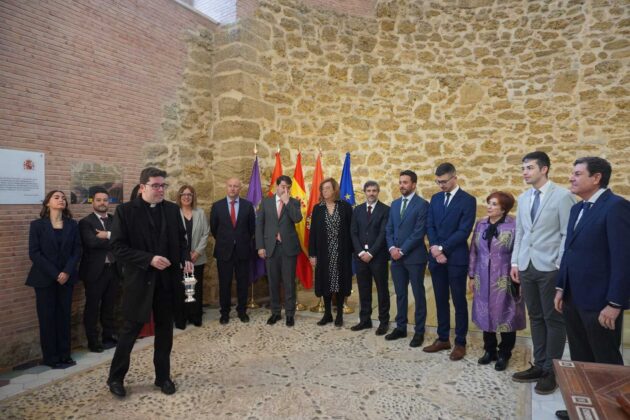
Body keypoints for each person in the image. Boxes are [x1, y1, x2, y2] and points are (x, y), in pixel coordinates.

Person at [553, 157, 630, 420]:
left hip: (600, 302)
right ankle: (583, 408)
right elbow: (569, 251)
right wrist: (561, 286)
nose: (571, 178)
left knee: (605, 365)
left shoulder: (616, 207)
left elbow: (623, 258)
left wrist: (615, 303)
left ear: (596, 178)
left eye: (577, 174)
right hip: (574, 297)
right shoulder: (577, 209)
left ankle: (612, 413)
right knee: (579, 358)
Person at [106, 167, 193, 398]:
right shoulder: (125, 212)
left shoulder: (173, 210)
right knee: (129, 332)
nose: (161, 189)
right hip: (140, 281)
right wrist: (149, 259)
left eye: (163, 185)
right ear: (143, 186)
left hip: (166, 282)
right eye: (156, 185)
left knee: (165, 332)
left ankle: (162, 377)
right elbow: (117, 247)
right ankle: (115, 378)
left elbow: (182, 240)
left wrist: (185, 258)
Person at [510, 151, 575, 395]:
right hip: (527, 266)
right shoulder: (524, 198)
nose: (525, 172)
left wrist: (560, 265)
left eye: (529, 167)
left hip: (550, 267)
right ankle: (539, 364)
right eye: (523, 168)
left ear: (544, 169)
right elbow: (521, 234)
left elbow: (567, 234)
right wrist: (515, 263)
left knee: (553, 319)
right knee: (535, 317)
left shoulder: (563, 196)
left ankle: (552, 371)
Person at [424, 163, 476, 361]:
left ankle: (460, 342)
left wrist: (442, 248)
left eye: (444, 181)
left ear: (454, 177)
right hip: (437, 258)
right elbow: (430, 225)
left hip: (456, 258)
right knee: (439, 299)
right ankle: (443, 337)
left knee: (458, 300)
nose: (441, 185)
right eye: (438, 182)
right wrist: (436, 250)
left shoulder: (468, 200)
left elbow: (464, 231)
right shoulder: (436, 198)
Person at [468, 191, 525, 371]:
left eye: (493, 204)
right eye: (489, 203)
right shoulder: (481, 224)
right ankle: (489, 350)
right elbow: (474, 252)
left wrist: (519, 276)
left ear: (504, 208)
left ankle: (504, 354)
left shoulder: (514, 225)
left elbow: (520, 251)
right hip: (482, 276)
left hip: (505, 276)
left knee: (507, 315)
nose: (489, 207)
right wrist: (471, 275)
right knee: (486, 314)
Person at [26, 190, 81, 368]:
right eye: (56, 197)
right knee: (47, 318)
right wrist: (55, 273)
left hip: (67, 278)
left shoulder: (73, 225)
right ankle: (51, 357)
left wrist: (66, 272)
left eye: (63, 198)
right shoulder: (37, 225)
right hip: (44, 278)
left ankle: (65, 355)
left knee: (64, 317)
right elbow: (34, 253)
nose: (61, 200)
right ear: (47, 203)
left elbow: (77, 251)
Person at [385, 170, 429, 347]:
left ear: (414, 184)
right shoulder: (395, 204)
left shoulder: (422, 205)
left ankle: (419, 332)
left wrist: (401, 250)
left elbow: (419, 232)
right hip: (395, 258)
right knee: (400, 294)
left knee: (418, 295)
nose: (402, 185)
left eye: (405, 182)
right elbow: (389, 229)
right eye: (400, 182)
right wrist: (391, 248)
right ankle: (400, 327)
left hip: (415, 257)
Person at [256, 175, 303, 327]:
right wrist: (260, 246)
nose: (285, 189)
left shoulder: (294, 202)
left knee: (289, 282)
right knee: (273, 282)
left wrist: (287, 201)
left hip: (288, 248)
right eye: (283, 186)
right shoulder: (266, 202)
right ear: (276, 186)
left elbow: (297, 219)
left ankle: (290, 314)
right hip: (271, 248)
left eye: (288, 187)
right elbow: (260, 225)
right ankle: (275, 312)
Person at [79, 187, 120, 353]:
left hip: (114, 269)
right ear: (92, 202)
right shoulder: (85, 222)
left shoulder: (115, 219)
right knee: (92, 308)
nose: (102, 203)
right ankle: (93, 342)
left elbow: (122, 240)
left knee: (109, 306)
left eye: (105, 200)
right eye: (99, 200)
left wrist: (107, 235)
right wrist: (113, 237)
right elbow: (91, 243)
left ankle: (108, 337)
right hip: (94, 272)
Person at [309, 178, 354, 327]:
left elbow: (352, 231)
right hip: (323, 253)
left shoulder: (345, 207)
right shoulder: (318, 208)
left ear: (335, 189)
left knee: (340, 283)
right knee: (325, 283)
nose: (325, 191)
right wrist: (312, 254)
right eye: (323, 189)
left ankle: (339, 314)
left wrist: (353, 251)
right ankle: (327, 314)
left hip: (341, 252)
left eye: (328, 188)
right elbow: (313, 233)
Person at [210, 178, 255, 325]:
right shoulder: (217, 206)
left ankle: (242, 311)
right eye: (230, 186)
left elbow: (251, 228)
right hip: (224, 251)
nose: (233, 189)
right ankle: (225, 313)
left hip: (242, 251)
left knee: (243, 283)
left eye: (236, 186)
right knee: (225, 283)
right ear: (226, 187)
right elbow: (214, 229)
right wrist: (228, 240)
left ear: (240, 188)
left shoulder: (248, 206)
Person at [350, 180, 391, 335]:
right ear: (365, 192)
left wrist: (371, 253)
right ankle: (365, 320)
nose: (371, 193)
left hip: (378, 257)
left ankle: (383, 322)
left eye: (374, 190)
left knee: (382, 290)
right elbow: (353, 232)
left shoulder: (385, 210)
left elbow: (383, 234)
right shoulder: (358, 210)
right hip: (360, 258)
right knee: (364, 289)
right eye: (369, 190)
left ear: (378, 192)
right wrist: (361, 253)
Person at [175, 184, 210, 328]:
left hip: (197, 258)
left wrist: (196, 252)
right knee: (181, 289)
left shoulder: (200, 213)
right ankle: (181, 319)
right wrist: (184, 255)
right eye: (184, 194)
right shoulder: (174, 213)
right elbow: (172, 236)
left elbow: (205, 234)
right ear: (179, 196)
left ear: (193, 197)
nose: (187, 197)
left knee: (195, 288)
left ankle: (195, 316)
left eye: (189, 194)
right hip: (180, 259)